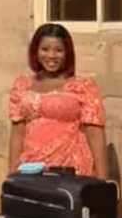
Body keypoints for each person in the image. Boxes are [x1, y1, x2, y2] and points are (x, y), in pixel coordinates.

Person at [8, 23, 108, 179]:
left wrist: (104, 181)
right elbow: (17, 135)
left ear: (67, 53)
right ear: (36, 51)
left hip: (70, 170)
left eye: (58, 50)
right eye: (45, 49)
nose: (51, 56)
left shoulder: (82, 87)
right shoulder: (22, 86)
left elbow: (95, 136)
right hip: (30, 168)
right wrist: (12, 175)